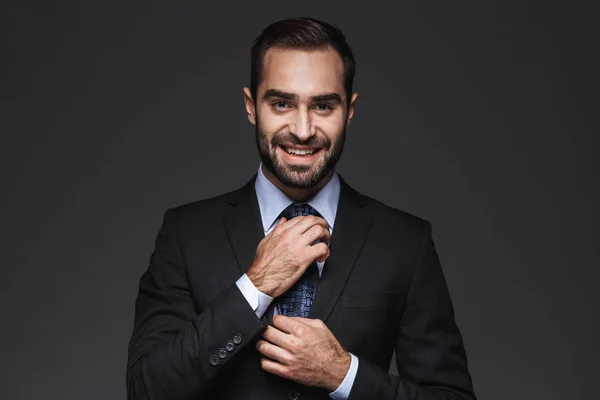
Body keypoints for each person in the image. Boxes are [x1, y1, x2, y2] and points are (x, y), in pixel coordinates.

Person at [126, 17, 477, 400]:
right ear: (251, 107)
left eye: (323, 106)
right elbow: (146, 389)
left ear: (350, 111)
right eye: (281, 103)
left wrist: (343, 374)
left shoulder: (405, 242)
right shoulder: (186, 234)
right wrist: (255, 286)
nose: (304, 129)